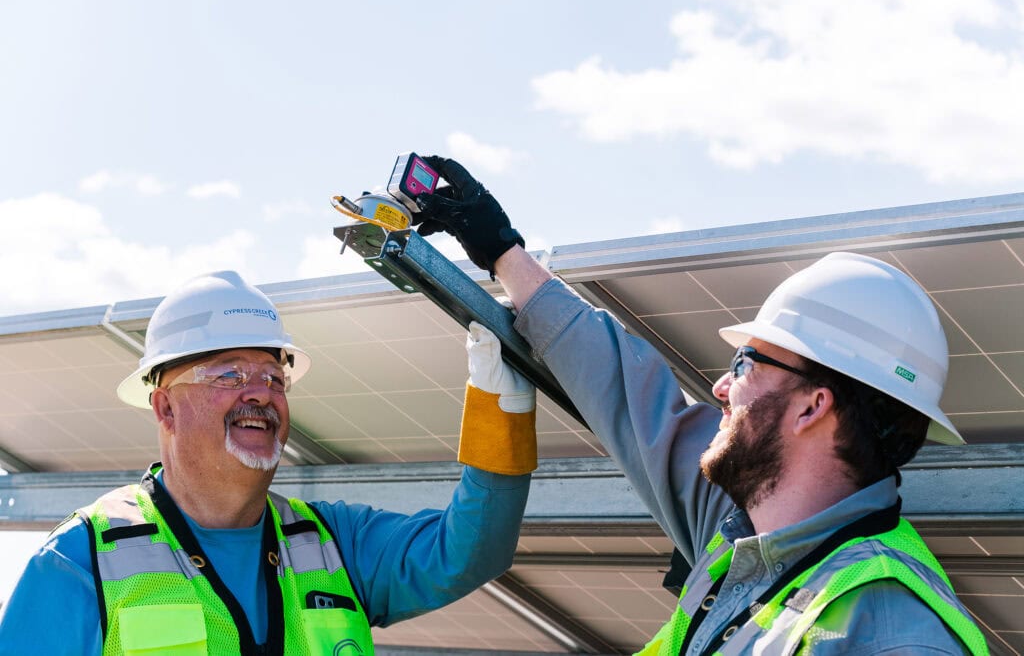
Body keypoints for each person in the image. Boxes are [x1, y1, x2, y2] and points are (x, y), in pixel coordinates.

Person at [412, 157, 989, 655]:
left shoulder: (891, 629)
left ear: (812, 407)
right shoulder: (742, 527)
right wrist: (501, 250)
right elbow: (628, 393)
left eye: (745, 364)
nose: (719, 387)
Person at [0, 270, 537, 655]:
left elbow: (469, 552)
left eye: (273, 378)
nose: (259, 394)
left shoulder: (334, 542)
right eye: (230, 375)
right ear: (165, 407)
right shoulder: (81, 560)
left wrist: (502, 412)